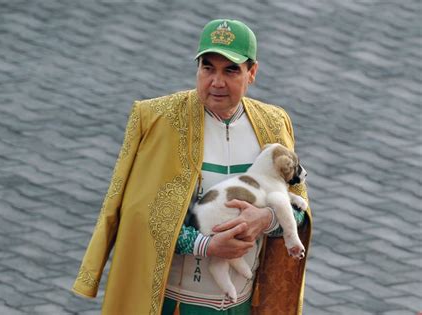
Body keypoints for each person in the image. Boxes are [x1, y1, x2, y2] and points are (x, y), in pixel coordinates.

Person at [72, 19, 312, 315]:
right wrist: (206, 246)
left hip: (244, 306)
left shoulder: (275, 123)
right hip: (174, 305)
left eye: (231, 70)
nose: (217, 82)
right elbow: (140, 217)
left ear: (252, 73)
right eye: (207, 67)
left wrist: (266, 219)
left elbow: (300, 212)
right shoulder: (155, 120)